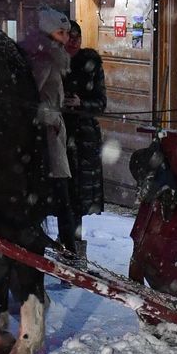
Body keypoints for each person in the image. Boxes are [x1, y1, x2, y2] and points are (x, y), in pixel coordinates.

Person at [18, 6, 76, 248]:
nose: (67, 38)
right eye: (62, 32)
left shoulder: (48, 56)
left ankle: (67, 246)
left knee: (60, 195)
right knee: (61, 196)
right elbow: (30, 98)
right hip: (47, 135)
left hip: (51, 132)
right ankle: (68, 249)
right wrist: (50, 116)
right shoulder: (44, 58)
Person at [64, 22, 106, 253]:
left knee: (77, 204)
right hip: (57, 137)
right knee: (61, 199)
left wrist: (81, 104)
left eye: (77, 37)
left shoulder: (90, 65)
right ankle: (62, 253)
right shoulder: (51, 63)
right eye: (69, 37)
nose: (73, 42)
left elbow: (101, 103)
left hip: (83, 140)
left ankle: (75, 257)